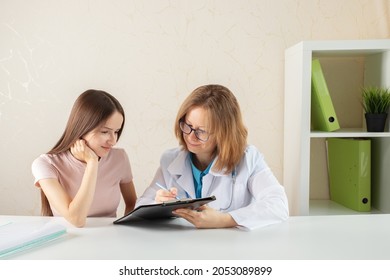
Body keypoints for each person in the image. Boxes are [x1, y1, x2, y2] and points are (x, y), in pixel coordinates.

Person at [136, 84, 289, 230]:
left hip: (230, 248)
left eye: (201, 131)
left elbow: (278, 205)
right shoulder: (170, 160)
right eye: (187, 126)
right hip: (181, 248)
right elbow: (140, 207)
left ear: (225, 134)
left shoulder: (248, 159)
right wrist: (157, 203)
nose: (190, 137)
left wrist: (225, 220)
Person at [31, 89, 137, 227]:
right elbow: (77, 220)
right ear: (82, 128)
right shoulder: (46, 164)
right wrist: (92, 163)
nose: (113, 140)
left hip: (110, 239)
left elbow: (133, 204)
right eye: (105, 132)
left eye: (116, 132)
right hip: (67, 239)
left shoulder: (119, 158)